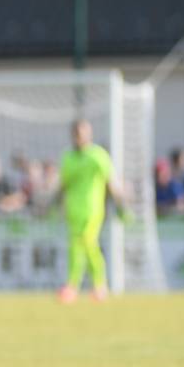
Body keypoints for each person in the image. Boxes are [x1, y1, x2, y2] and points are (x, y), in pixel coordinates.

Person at [58, 119, 128, 303]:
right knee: (75, 246)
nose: (81, 137)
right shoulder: (67, 157)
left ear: (89, 134)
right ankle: (75, 287)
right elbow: (63, 185)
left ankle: (96, 285)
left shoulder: (98, 155)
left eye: (84, 133)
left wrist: (121, 205)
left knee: (88, 242)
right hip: (73, 211)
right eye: (77, 134)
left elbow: (111, 182)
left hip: (93, 210)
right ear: (73, 135)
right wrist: (53, 205)